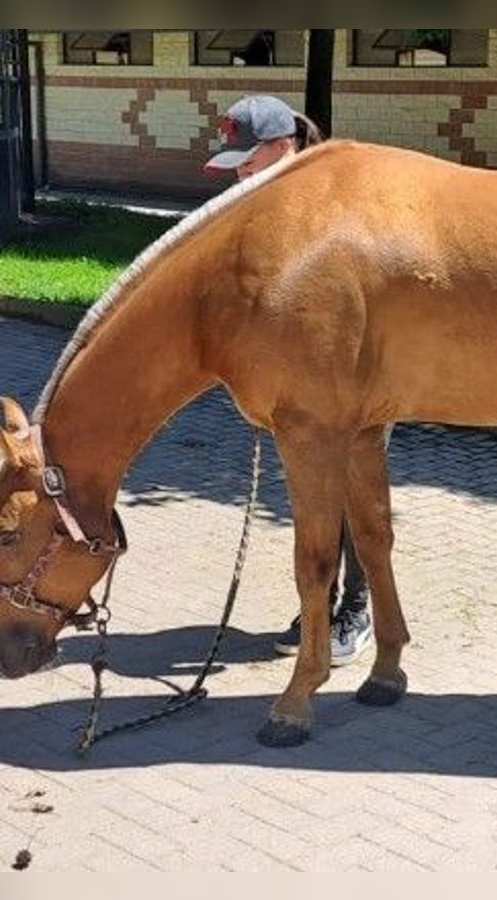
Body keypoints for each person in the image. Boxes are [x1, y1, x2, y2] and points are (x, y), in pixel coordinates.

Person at [203, 95, 377, 666]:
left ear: (283, 148)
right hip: (302, 377)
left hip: (358, 374)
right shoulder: (265, 204)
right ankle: (320, 606)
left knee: (351, 492)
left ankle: (356, 608)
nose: (242, 173)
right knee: (319, 492)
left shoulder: (334, 203)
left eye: (249, 160)